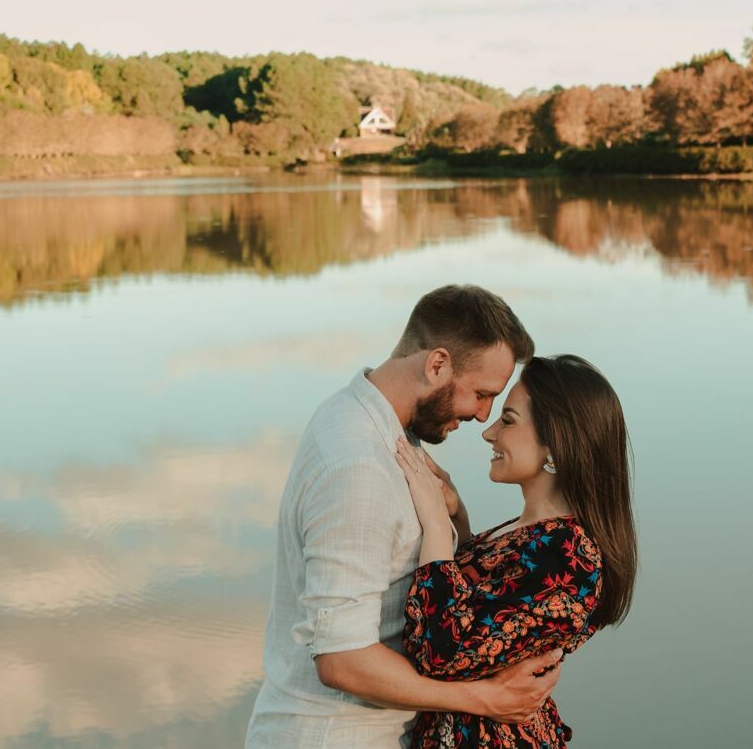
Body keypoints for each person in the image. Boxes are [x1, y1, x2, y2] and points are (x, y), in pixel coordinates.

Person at [246, 285, 565, 749]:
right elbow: (342, 658)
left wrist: (456, 519)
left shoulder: (373, 421)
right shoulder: (359, 466)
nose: (483, 416)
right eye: (480, 394)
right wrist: (485, 699)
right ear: (437, 364)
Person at [391, 354, 636, 748]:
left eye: (508, 420)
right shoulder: (534, 534)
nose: (488, 433)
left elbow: (443, 650)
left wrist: (435, 522)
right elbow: (486, 608)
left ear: (556, 444)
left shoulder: (570, 559)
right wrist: (458, 520)